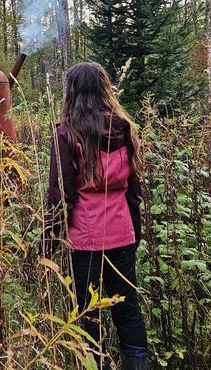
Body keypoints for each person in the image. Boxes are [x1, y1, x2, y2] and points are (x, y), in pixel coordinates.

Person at [46, 62, 149, 370]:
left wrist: (48, 242)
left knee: (87, 313)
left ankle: (95, 365)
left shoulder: (66, 135)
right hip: (121, 232)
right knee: (127, 308)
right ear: (105, 90)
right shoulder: (125, 129)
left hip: (84, 237)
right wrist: (135, 233)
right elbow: (134, 191)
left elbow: (61, 197)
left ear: (72, 93)